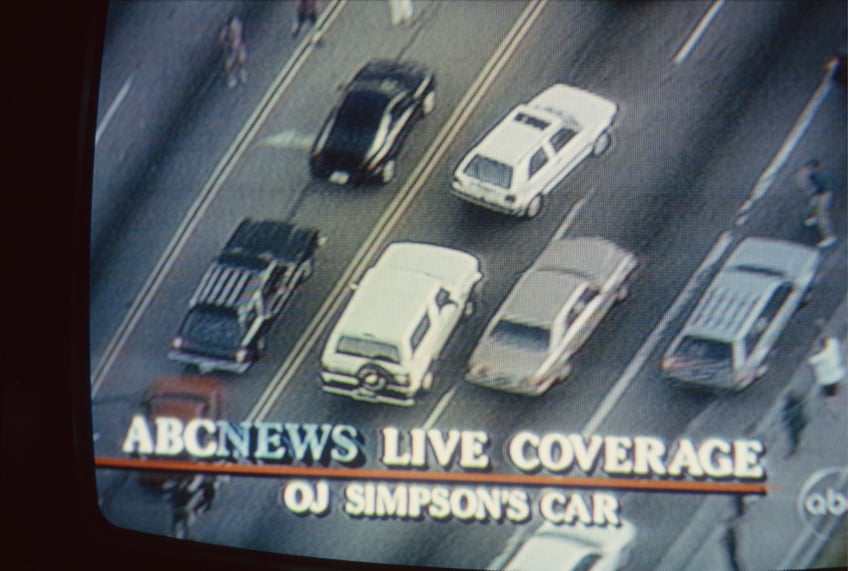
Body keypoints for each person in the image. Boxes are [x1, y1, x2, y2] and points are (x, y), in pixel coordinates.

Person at [798, 160, 837, 248]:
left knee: (822, 214)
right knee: (813, 205)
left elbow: (815, 189)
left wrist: (812, 193)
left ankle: (829, 236)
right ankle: (814, 217)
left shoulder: (817, 176)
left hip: (823, 194)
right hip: (822, 193)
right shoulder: (818, 173)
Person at [220, 16, 247, 88]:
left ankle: (241, 72)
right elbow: (222, 38)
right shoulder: (227, 29)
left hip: (238, 46)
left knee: (241, 59)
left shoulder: (239, 26)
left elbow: (241, 34)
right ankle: (231, 78)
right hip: (231, 48)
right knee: (229, 64)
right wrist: (227, 44)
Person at [781, 392, 807, 457]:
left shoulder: (791, 406)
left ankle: (795, 449)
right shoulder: (792, 405)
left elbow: (788, 415)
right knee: (794, 436)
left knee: (794, 436)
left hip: (795, 424)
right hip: (795, 424)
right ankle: (795, 448)